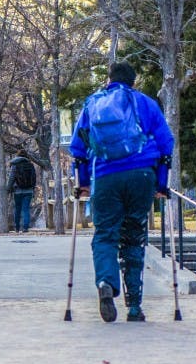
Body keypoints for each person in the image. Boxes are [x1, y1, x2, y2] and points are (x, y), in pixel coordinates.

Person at [70, 62, 174, 323]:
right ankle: (135, 307)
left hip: (105, 176)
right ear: (133, 81)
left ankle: (106, 282)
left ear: (109, 80)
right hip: (141, 175)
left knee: (105, 235)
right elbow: (165, 143)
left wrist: (83, 183)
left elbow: (78, 148)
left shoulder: (93, 104)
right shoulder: (144, 102)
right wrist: (160, 185)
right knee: (134, 237)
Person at [7, 150, 36, 233]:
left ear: (17, 155)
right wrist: (33, 189)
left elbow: (12, 178)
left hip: (17, 190)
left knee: (17, 208)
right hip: (29, 191)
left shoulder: (14, 165)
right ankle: (25, 228)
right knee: (26, 209)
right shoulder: (30, 165)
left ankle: (17, 228)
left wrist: (8, 188)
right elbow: (34, 178)